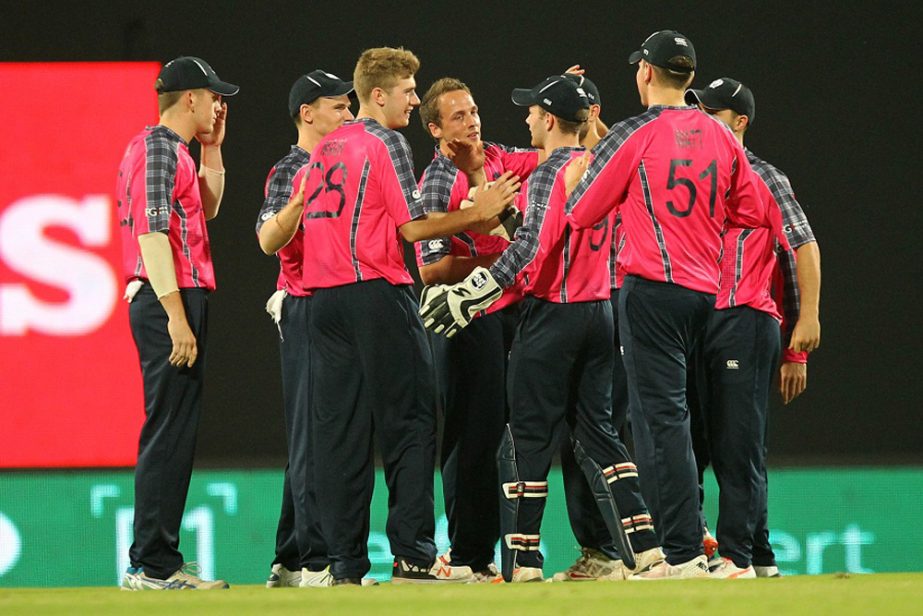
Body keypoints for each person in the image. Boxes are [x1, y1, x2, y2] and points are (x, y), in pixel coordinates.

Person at [421, 74, 664, 583]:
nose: (526, 117)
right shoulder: (598, 165)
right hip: (600, 312)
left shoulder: (550, 172)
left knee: (527, 439)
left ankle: (525, 562)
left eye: (532, 110)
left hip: (552, 315)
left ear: (549, 119)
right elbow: (549, 233)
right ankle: (647, 552)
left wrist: (477, 291)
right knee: (600, 435)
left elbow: (532, 246)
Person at [561, 31, 780, 579]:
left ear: (645, 73)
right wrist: (701, 228)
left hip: (651, 291)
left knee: (662, 422)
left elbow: (582, 212)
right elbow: (752, 210)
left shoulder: (634, 134)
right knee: (688, 422)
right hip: (707, 295)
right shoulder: (722, 135)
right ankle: (719, 551)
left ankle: (681, 553)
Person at [301, 47, 521, 585]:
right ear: (378, 96)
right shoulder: (386, 141)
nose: (413, 100)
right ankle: (415, 558)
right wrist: (480, 213)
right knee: (412, 423)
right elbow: (413, 228)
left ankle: (346, 566)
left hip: (322, 300)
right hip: (376, 292)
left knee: (341, 433)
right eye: (406, 91)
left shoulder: (326, 146)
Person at [684, 77, 821, 578]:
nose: (701, 118)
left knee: (737, 445)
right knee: (691, 442)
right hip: (693, 319)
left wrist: (802, 333)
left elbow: (802, 248)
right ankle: (751, 553)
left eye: (713, 112)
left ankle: (737, 556)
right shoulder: (691, 175)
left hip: (745, 316)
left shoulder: (766, 177)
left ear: (740, 121)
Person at [116, 56, 238, 590]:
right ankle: (152, 564)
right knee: (168, 429)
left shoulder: (178, 151)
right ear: (190, 98)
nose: (218, 105)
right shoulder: (159, 148)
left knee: (175, 428)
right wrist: (175, 316)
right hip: (170, 298)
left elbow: (206, 210)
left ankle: (155, 559)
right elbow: (151, 233)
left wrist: (212, 148)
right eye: (213, 97)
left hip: (179, 296)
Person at [414, 76, 542, 582]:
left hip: (510, 315)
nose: (472, 122)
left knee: (504, 434)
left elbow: (562, 157)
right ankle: (469, 553)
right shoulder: (435, 183)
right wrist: (493, 257)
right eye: (459, 116)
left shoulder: (499, 158)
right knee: (472, 435)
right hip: (467, 320)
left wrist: (577, 112)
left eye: (474, 111)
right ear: (435, 129)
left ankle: (491, 553)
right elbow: (430, 270)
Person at [256, 71, 355, 588]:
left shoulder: (350, 159)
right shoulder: (291, 168)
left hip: (336, 308)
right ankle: (316, 561)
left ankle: (291, 558)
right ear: (307, 113)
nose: (349, 115)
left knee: (315, 434)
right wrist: (299, 199)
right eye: (338, 107)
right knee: (315, 435)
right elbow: (268, 238)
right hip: (306, 305)